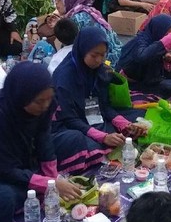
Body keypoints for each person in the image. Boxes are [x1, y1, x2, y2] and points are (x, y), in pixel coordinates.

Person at [0, 62, 84, 207]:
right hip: (5, 172)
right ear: (22, 97)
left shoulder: (46, 103)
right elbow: (2, 169)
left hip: (31, 159)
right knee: (7, 197)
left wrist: (52, 181)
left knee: (74, 138)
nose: (45, 106)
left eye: (49, 99)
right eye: (39, 101)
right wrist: (48, 184)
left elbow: (44, 139)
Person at [53, 26, 146, 155]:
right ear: (82, 50)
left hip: (93, 117)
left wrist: (125, 124)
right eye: (94, 55)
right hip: (72, 124)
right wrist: (103, 137)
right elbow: (69, 119)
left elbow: (104, 106)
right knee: (82, 143)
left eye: (103, 55)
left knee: (136, 119)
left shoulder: (99, 71)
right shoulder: (64, 78)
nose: (99, 60)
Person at [117, 14, 171, 100]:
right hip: (131, 86)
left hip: (148, 82)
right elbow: (142, 57)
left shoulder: (157, 42)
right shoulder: (140, 41)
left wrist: (166, 59)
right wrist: (164, 43)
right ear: (158, 30)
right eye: (169, 35)